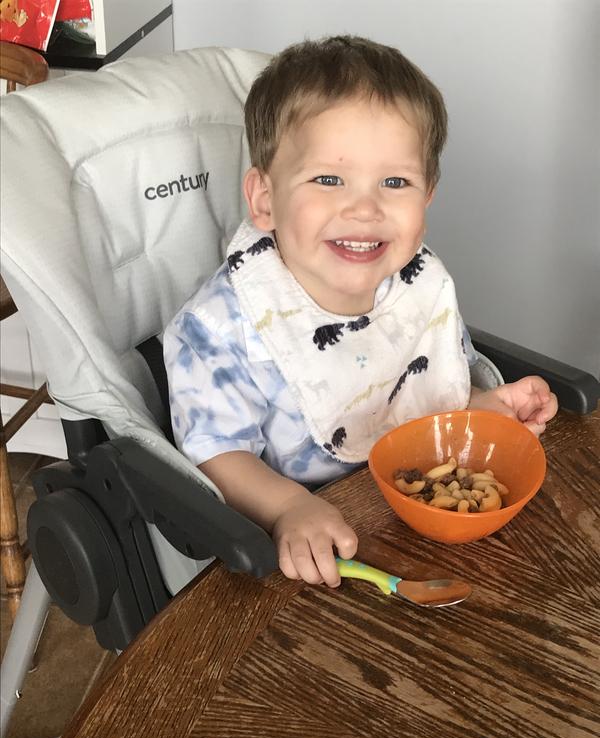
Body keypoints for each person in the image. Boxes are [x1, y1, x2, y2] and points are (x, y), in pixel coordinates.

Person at [164, 36, 557, 589]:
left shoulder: (417, 282)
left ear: (428, 198)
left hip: (418, 519)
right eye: (328, 179)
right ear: (265, 200)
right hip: (313, 552)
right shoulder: (220, 328)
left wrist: (484, 407)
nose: (365, 208)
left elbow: (422, 386)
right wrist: (285, 510)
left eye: (395, 182)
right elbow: (216, 454)